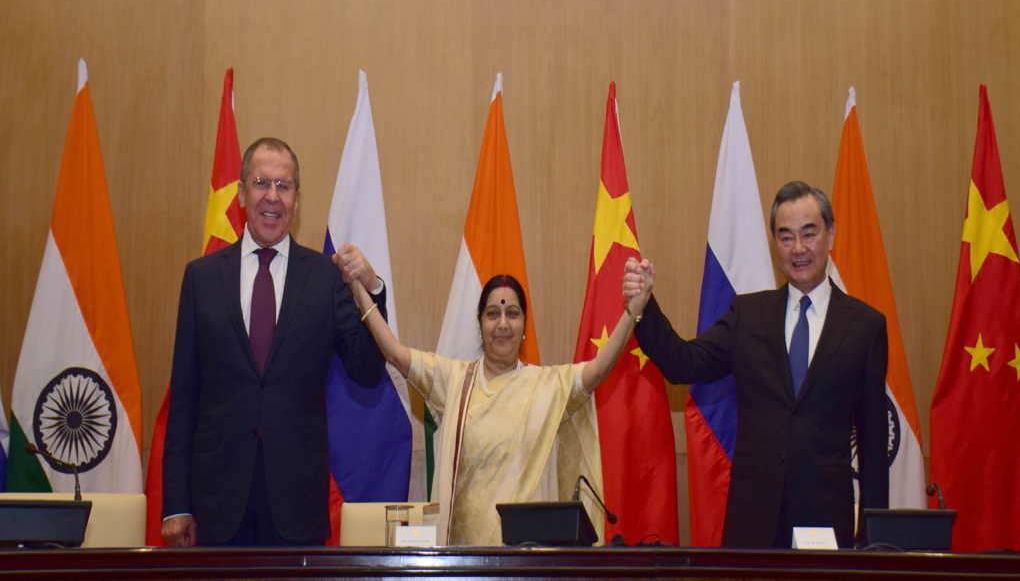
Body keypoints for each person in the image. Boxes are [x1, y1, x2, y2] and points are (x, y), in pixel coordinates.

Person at [622, 180, 888, 549]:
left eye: (809, 234)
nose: (798, 249)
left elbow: (874, 441)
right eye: (785, 237)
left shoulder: (866, 326)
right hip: (754, 522)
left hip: (827, 523)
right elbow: (684, 364)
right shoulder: (749, 314)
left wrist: (874, 540)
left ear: (831, 235)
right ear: (774, 243)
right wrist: (644, 306)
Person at [162, 137, 387, 546]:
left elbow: (368, 371)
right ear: (243, 193)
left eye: (283, 186)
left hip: (296, 504)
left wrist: (373, 288)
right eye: (262, 182)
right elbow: (184, 397)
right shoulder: (201, 278)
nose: (272, 196)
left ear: (297, 199)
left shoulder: (324, 277)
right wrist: (177, 504)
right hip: (216, 502)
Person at [334, 263, 632, 546]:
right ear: (480, 324)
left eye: (512, 313)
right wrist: (360, 291)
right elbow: (395, 354)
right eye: (492, 314)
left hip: (528, 564)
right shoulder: (454, 382)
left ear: (524, 326)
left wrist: (633, 311)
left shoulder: (548, 386)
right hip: (467, 560)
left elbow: (598, 369)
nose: (502, 323)